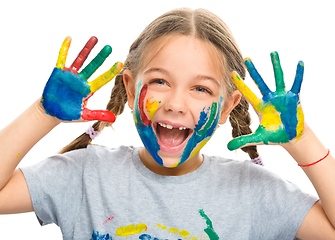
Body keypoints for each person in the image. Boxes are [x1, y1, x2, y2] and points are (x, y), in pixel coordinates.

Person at [0, 7, 334, 240]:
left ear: (226, 108)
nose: (175, 104)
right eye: (160, 81)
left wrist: (301, 139)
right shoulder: (84, 176)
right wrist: (42, 114)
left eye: (201, 88)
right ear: (130, 89)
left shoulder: (254, 191)